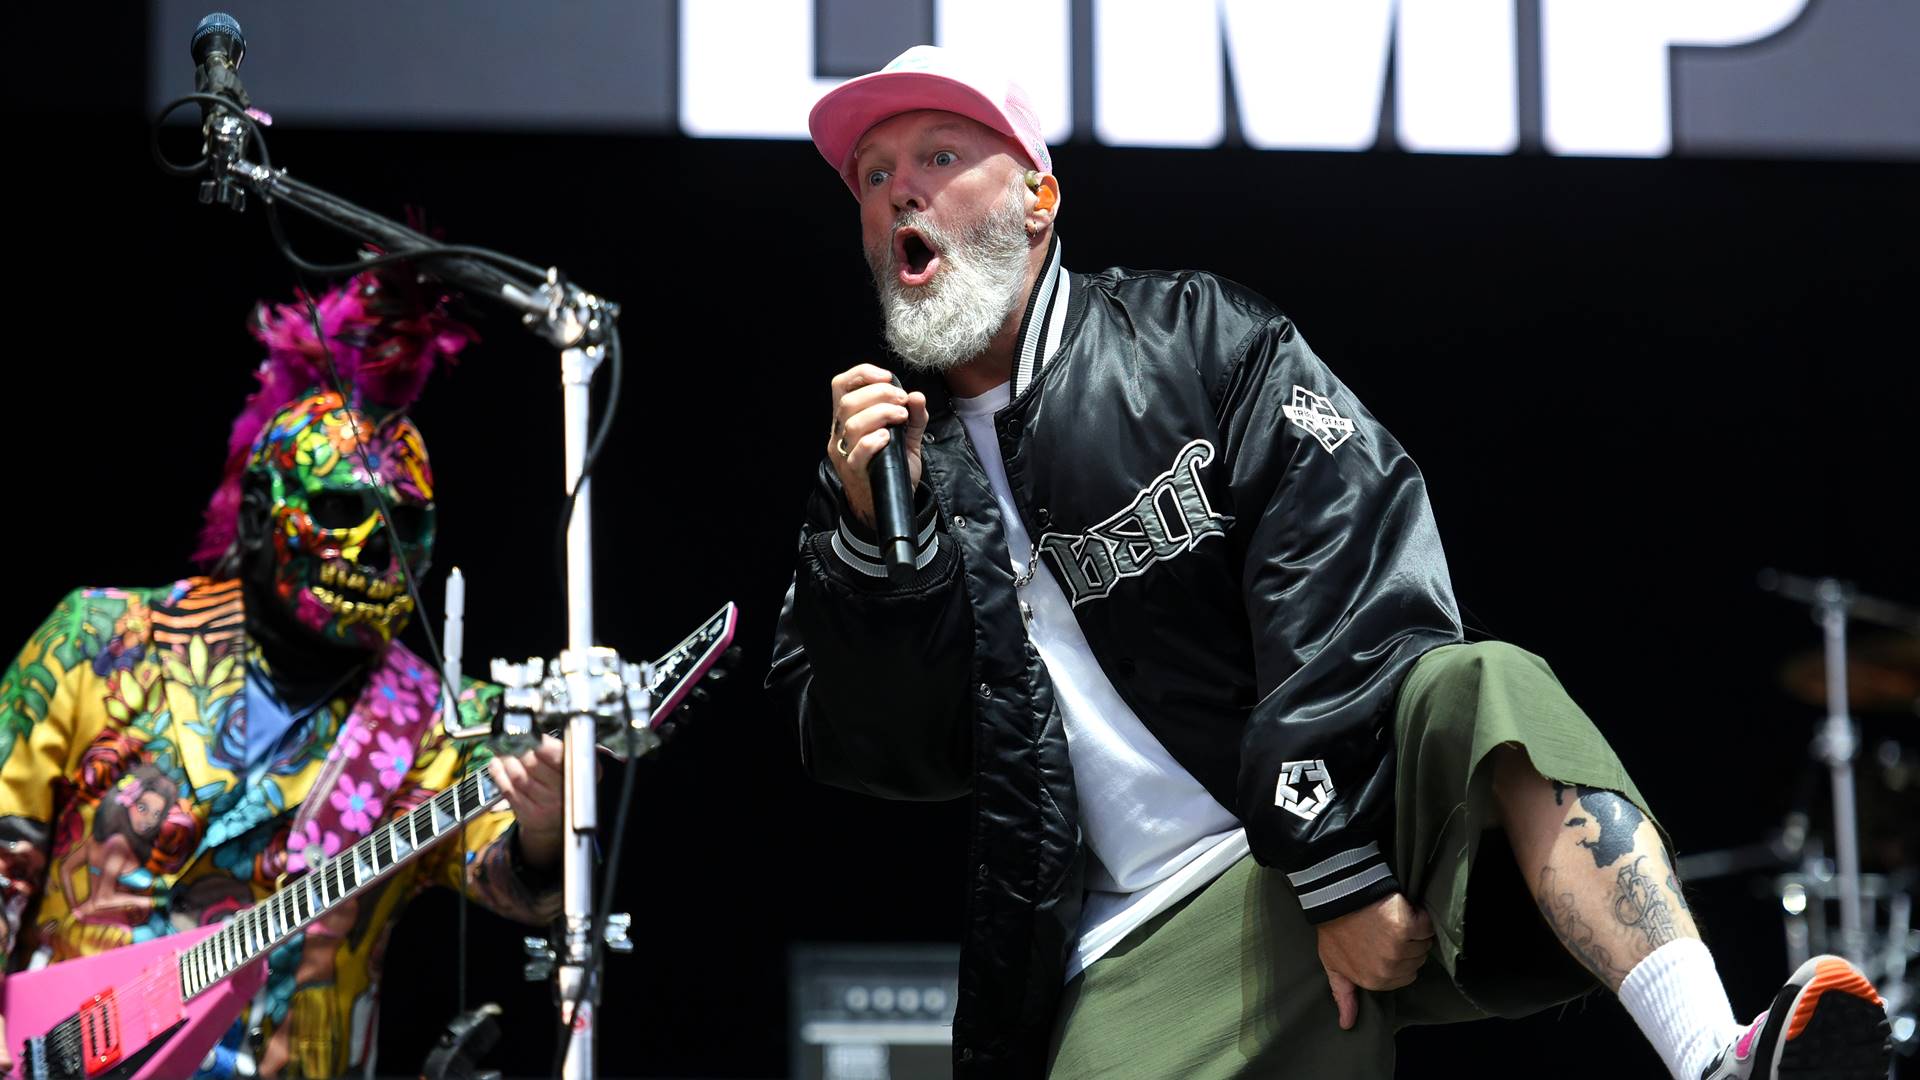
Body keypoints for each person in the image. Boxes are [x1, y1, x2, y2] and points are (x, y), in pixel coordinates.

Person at [766, 45, 1894, 1079]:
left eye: (940, 157)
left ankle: (1713, 1056)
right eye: (873, 176)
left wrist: (1333, 866)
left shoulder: (1197, 341)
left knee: (1486, 687)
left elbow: (1350, 577)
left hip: (1333, 825)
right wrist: (872, 552)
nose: (900, 192)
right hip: (1137, 937)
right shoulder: (877, 473)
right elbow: (882, 752)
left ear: (1038, 199)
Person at [0, 269, 565, 1079]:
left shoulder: (446, 719)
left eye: (405, 526)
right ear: (261, 515)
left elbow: (515, 882)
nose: (376, 552)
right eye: (341, 512)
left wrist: (545, 825)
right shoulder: (99, 639)